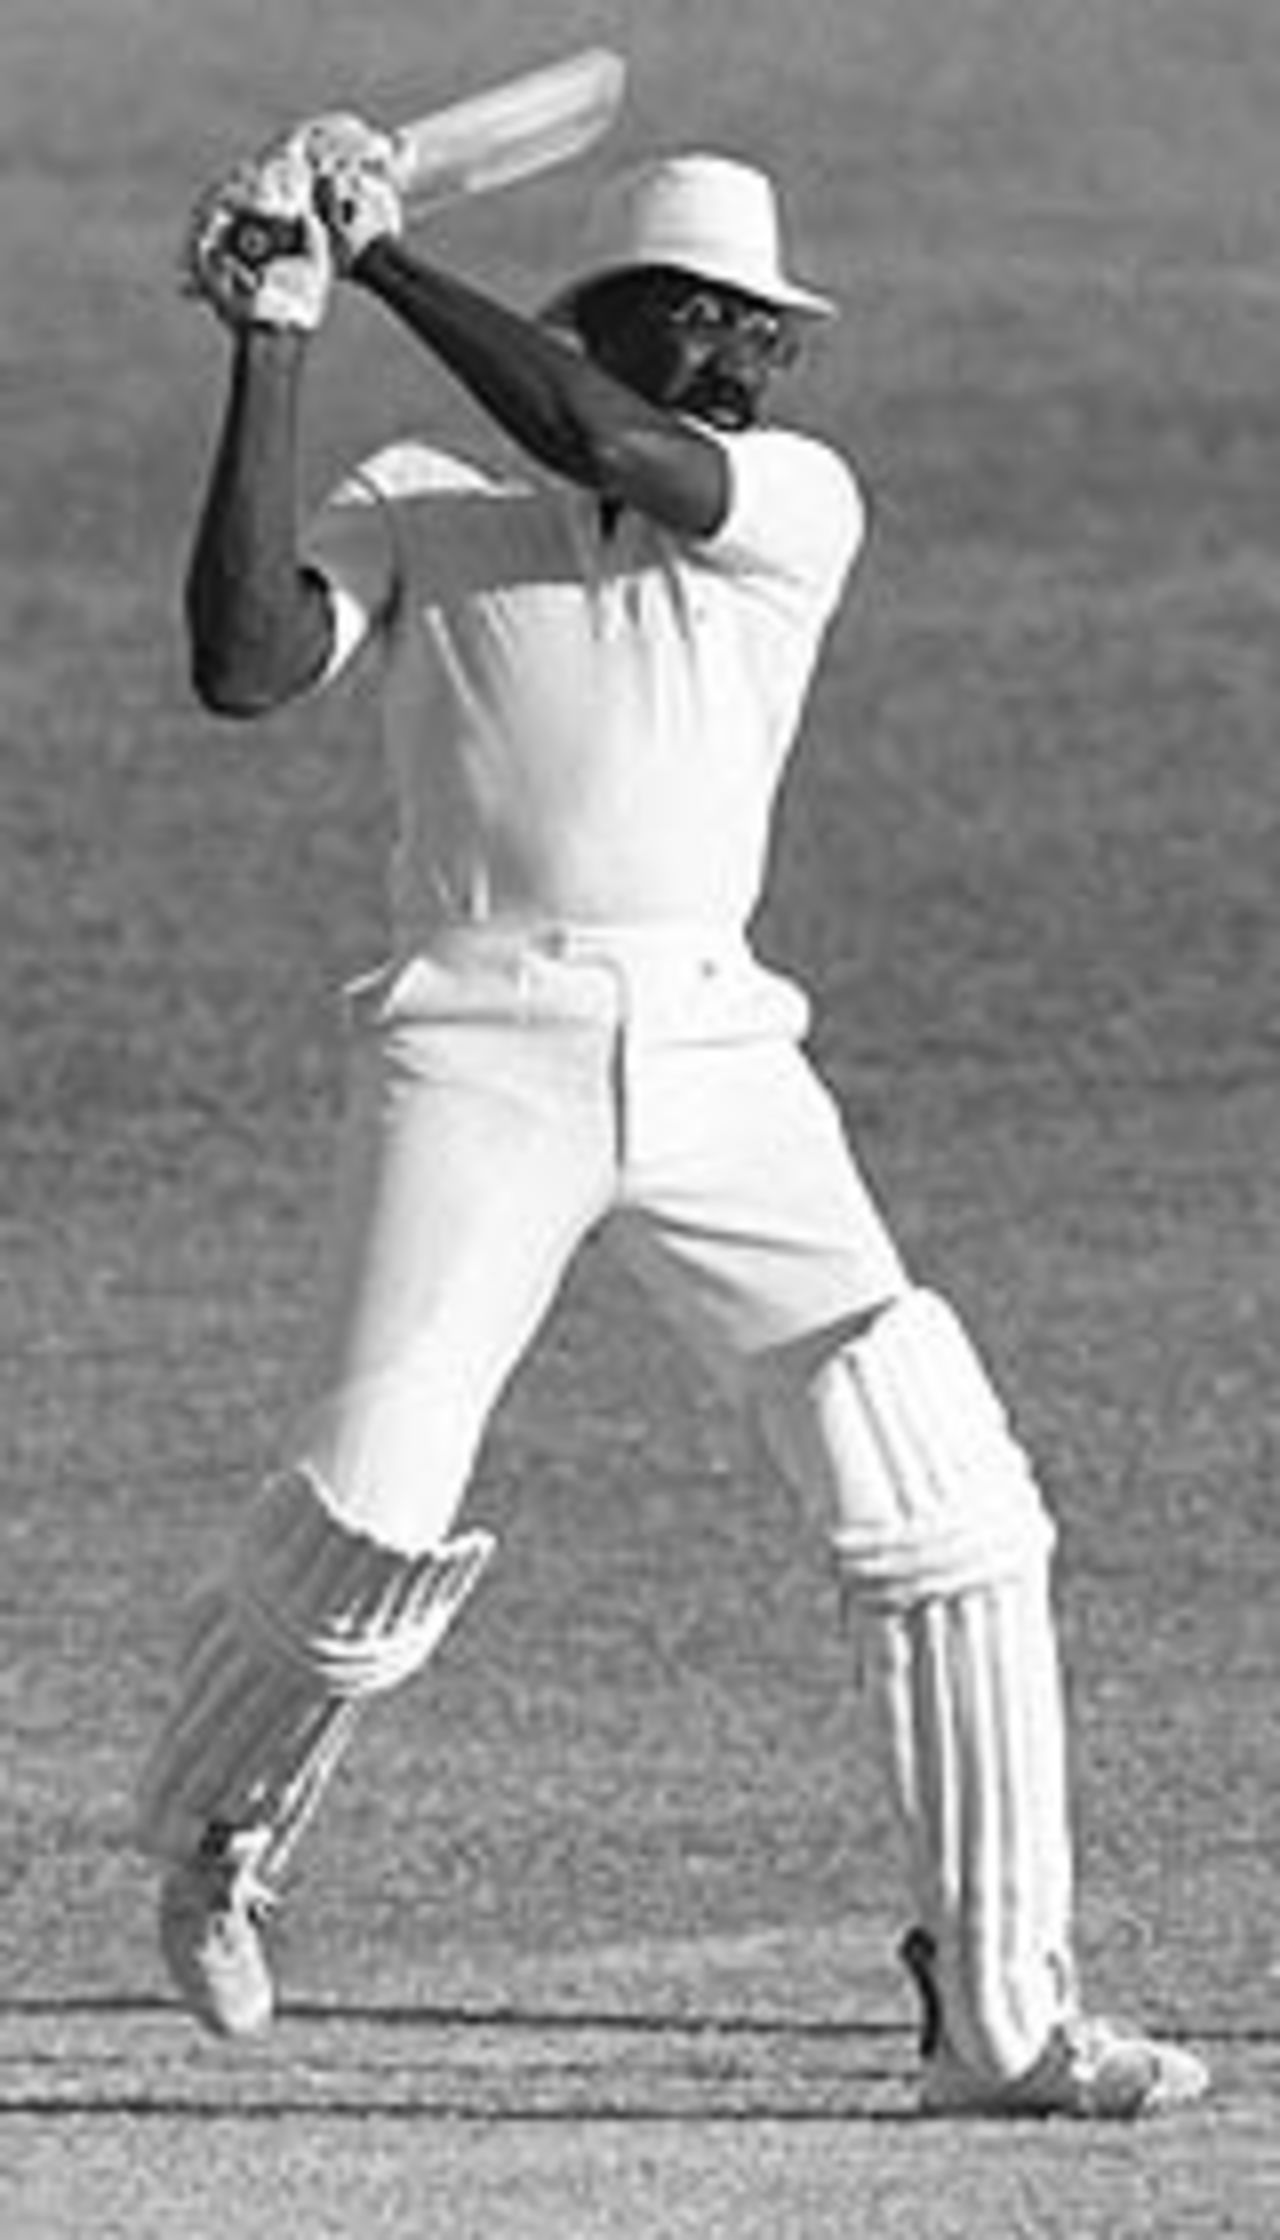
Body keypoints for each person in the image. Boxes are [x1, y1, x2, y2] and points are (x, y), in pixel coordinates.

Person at [134, 118, 1208, 2118]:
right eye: (698, 317)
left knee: (946, 1493)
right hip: (474, 1039)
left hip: (718, 1046)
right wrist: (276, 336)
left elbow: (617, 452)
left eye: (760, 330)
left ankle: (997, 2016)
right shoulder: (426, 496)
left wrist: (379, 262)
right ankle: (213, 1831)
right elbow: (241, 663)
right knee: (370, 1501)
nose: (737, 355)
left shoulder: (789, 499)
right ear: (608, 313)